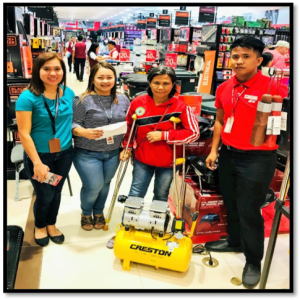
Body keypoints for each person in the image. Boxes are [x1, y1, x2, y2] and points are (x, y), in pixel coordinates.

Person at [204, 36, 288, 289]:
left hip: (258, 158)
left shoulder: (274, 87)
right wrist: (213, 150)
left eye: (246, 56)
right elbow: (220, 120)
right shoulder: (223, 87)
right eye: (235, 56)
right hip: (229, 154)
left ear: (259, 60)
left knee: (249, 209)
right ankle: (234, 241)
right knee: (231, 201)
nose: (238, 61)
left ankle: (253, 261)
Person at [106, 66, 200, 249]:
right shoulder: (138, 103)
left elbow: (193, 134)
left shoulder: (181, 107)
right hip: (142, 159)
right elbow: (129, 128)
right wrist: (126, 148)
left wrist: (164, 136)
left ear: (173, 85)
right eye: (156, 82)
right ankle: (127, 227)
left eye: (166, 83)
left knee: (160, 196)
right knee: (136, 193)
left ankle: (156, 228)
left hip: (168, 162)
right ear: (150, 82)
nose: (161, 87)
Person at [15, 52, 75, 247]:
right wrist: (37, 163)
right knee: (45, 194)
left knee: (56, 191)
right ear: (37, 71)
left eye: (57, 68)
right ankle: (40, 225)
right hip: (40, 156)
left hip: (64, 153)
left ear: (63, 71)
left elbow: (71, 122)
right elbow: (24, 133)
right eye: (46, 69)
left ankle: (51, 223)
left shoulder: (68, 92)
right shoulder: (28, 97)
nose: (53, 73)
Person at [72, 61, 130, 231]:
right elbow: (73, 124)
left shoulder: (123, 99)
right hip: (87, 152)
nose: (105, 81)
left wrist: (126, 148)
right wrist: (84, 132)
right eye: (101, 77)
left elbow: (130, 126)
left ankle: (98, 212)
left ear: (115, 79)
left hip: (112, 153)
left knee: (105, 184)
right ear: (93, 79)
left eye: (109, 77)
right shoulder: (83, 100)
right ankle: (85, 213)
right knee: (94, 185)